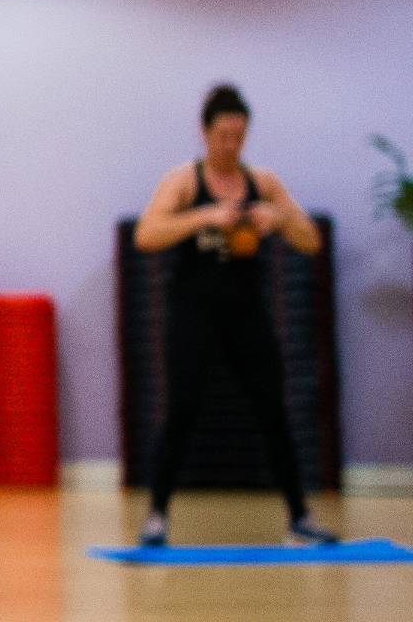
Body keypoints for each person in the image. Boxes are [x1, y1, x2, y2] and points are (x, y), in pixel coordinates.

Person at [129, 84, 337, 547]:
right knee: (181, 408)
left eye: (239, 138)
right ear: (205, 133)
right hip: (194, 309)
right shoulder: (185, 180)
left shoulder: (263, 183)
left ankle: (299, 518)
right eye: (223, 137)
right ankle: (157, 517)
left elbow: (310, 241)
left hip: (246, 311)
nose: (231, 146)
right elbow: (146, 235)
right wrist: (204, 218)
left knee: (271, 408)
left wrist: (279, 220)